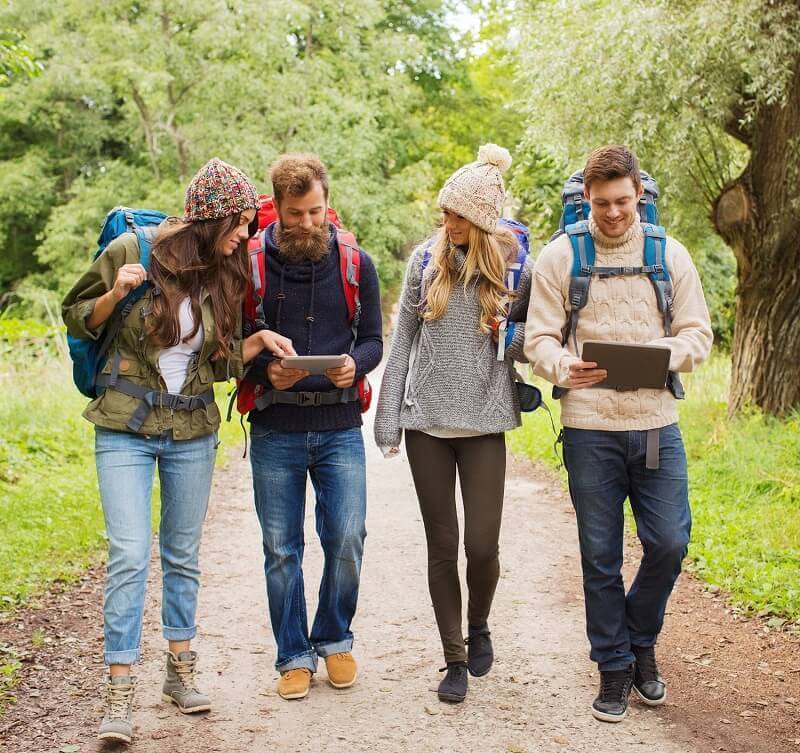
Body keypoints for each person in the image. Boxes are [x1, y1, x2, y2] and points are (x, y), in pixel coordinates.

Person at [62, 158, 295, 744]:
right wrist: (116, 294)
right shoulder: (129, 250)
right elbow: (77, 318)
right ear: (210, 218)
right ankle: (119, 691)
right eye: (239, 223)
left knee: (182, 554)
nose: (246, 235)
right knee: (130, 555)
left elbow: (216, 360)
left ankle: (179, 669)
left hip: (191, 430)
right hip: (124, 426)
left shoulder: (227, 273)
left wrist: (256, 343)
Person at [525, 145, 713, 722]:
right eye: (602, 203)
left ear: (640, 195)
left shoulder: (669, 253)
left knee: (669, 542)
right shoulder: (559, 257)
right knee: (599, 555)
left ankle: (640, 640)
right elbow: (538, 340)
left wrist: (660, 353)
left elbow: (698, 335)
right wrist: (562, 367)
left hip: (656, 424)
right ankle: (614, 667)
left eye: (623, 202)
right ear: (586, 199)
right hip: (589, 428)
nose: (613, 214)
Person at [373, 144, 533, 704]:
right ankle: (454, 658)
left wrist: (505, 336)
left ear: (484, 219)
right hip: (428, 423)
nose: (448, 224)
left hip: (486, 419)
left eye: (459, 215)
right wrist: (387, 418)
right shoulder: (424, 262)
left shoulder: (517, 266)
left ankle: (480, 623)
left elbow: (536, 341)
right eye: (445, 213)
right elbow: (402, 344)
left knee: (482, 546)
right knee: (442, 544)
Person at [242, 154, 382, 701]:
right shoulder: (250, 264)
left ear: (328, 204)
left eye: (315, 212)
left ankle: (335, 637)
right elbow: (235, 343)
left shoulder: (355, 262)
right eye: (295, 213)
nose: (306, 223)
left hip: (340, 423)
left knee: (348, 536)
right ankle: (293, 654)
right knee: (281, 547)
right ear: (276, 208)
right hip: (275, 425)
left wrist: (358, 364)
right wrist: (263, 368)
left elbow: (371, 337)